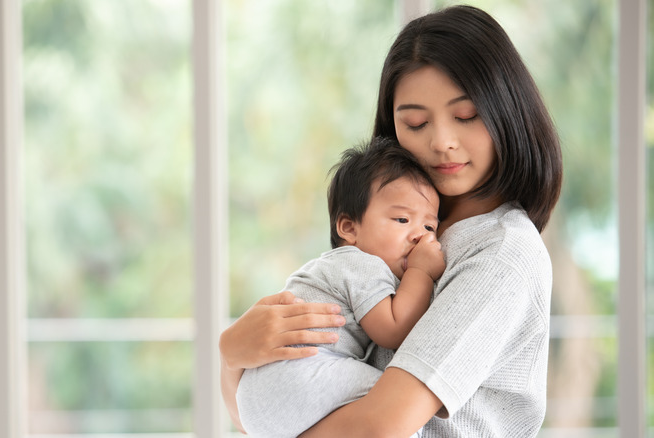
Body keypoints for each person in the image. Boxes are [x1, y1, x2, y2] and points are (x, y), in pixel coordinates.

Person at [220, 5, 562, 438]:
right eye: (415, 123)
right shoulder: (394, 233)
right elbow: (263, 416)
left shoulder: (500, 252)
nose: (442, 142)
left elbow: (377, 428)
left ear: (507, 111)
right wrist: (231, 355)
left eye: (466, 115)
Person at [237, 138, 445, 438]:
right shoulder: (359, 264)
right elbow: (393, 330)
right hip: (295, 374)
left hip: (258, 394)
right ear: (349, 228)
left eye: (429, 227)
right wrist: (422, 272)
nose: (419, 236)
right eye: (402, 219)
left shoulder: (331, 266)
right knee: (396, 408)